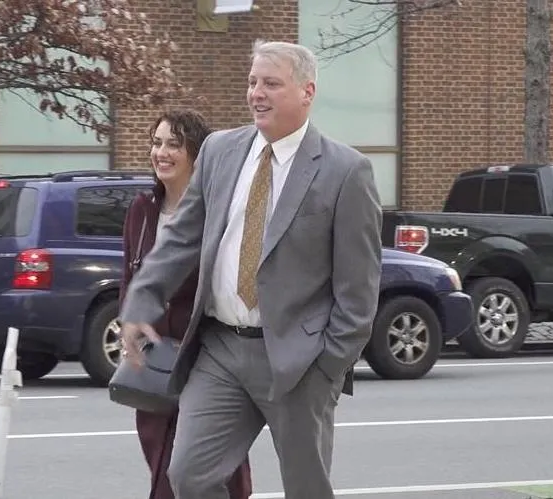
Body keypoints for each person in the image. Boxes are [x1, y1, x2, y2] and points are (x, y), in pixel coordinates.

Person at [119, 40, 382, 499]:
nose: (257, 93)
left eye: (272, 84)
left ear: (307, 92)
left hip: (299, 361)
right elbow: (182, 237)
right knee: (189, 477)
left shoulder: (346, 171)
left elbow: (359, 287)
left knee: (306, 489)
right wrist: (141, 299)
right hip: (220, 350)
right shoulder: (220, 151)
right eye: (253, 82)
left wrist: (329, 366)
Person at [118, 109, 253, 499]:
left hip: (207, 356)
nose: (161, 152)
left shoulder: (219, 212)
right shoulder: (142, 210)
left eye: (174, 144)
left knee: (213, 466)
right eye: (157, 143)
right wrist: (131, 320)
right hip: (155, 359)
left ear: (198, 155)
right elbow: (133, 279)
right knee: (160, 460)